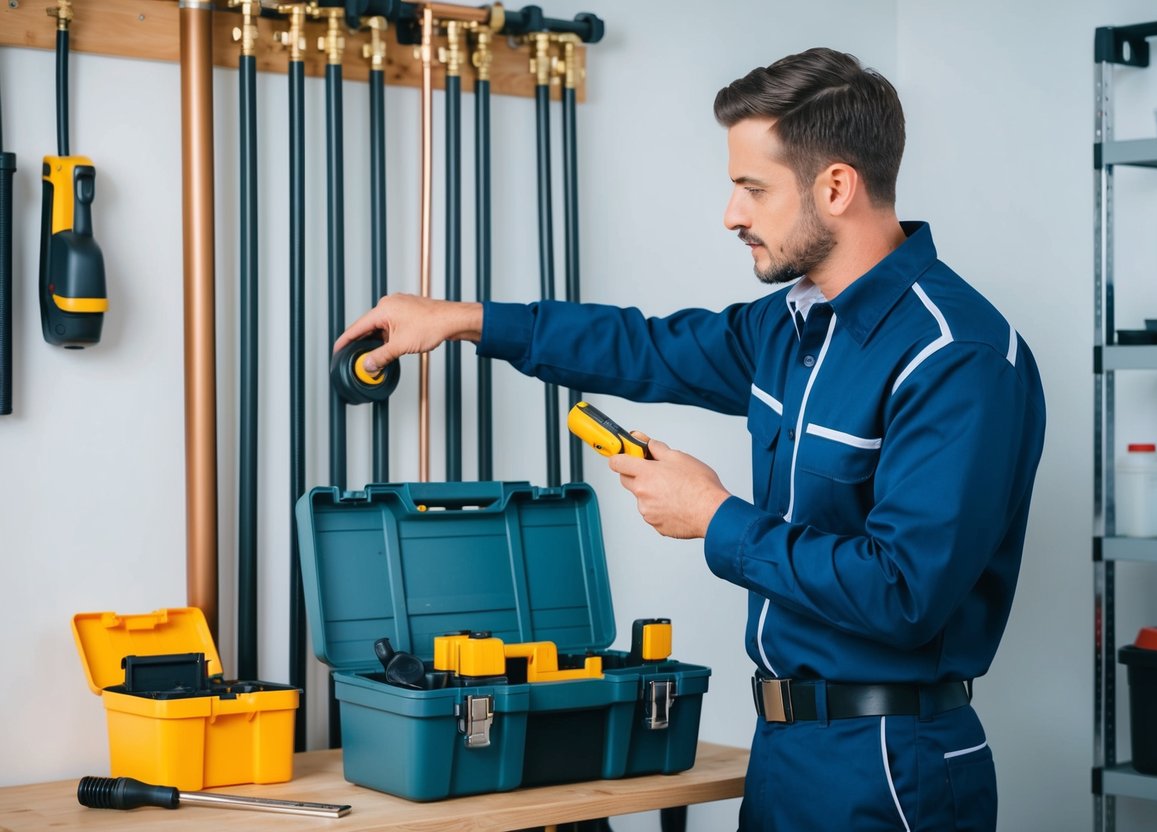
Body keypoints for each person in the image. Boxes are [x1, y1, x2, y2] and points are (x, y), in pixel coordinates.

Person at [335, 47, 1046, 832]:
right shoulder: (790, 327)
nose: (731, 214)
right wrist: (465, 319)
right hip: (782, 752)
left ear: (835, 186)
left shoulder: (956, 356)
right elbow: (645, 347)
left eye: (752, 188)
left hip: (889, 764)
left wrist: (713, 516)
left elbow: (904, 594)